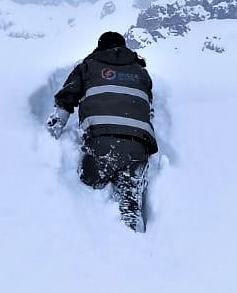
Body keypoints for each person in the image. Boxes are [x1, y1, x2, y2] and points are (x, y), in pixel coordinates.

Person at [45, 31, 157, 232]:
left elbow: (66, 99)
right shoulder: (142, 73)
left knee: (90, 185)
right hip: (138, 146)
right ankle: (133, 223)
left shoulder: (87, 67)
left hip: (101, 143)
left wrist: (52, 132)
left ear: (99, 48)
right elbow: (147, 106)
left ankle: (96, 237)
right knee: (130, 196)